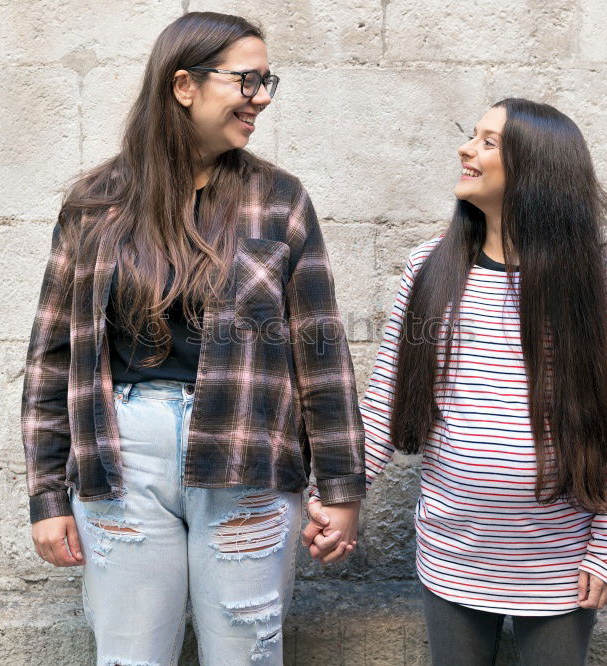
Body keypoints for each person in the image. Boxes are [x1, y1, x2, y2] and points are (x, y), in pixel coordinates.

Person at [21, 12, 364, 665]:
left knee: (246, 653)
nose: (261, 96)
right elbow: (51, 357)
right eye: (247, 80)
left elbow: (320, 352)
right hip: (122, 462)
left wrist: (342, 490)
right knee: (128, 657)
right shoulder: (96, 203)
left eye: (268, 81)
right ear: (184, 85)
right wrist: (46, 496)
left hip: (249, 461)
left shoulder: (280, 200)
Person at [303, 98, 607, 666]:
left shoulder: (588, 278)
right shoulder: (429, 268)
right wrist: (336, 496)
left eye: (488, 142)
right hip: (453, 551)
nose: (466, 149)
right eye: (471, 136)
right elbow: (385, 402)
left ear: (536, 170)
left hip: (556, 560)